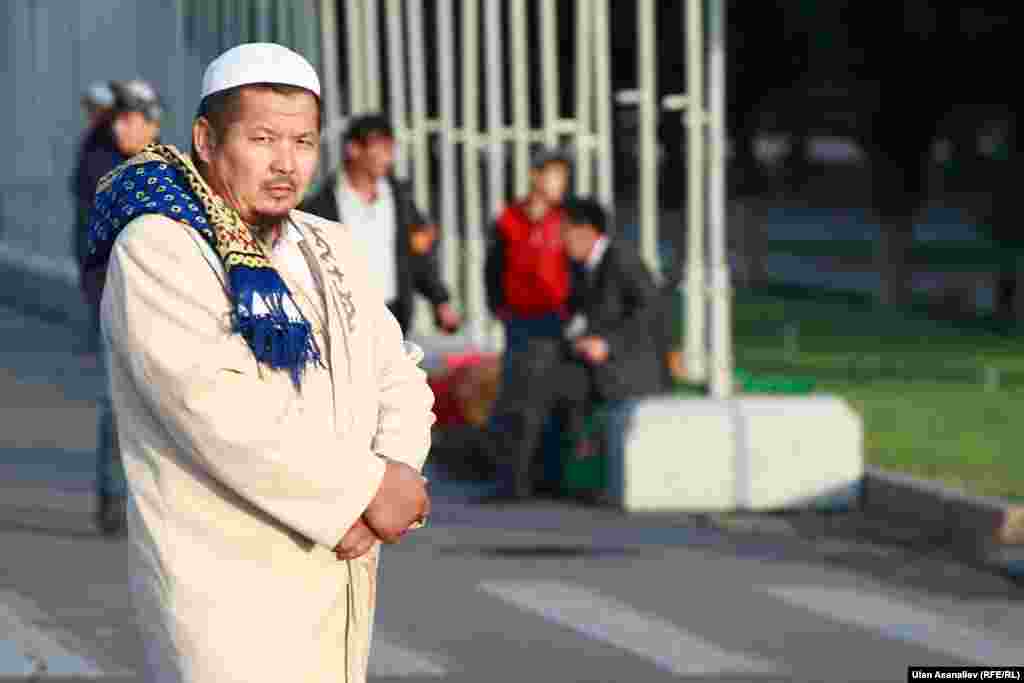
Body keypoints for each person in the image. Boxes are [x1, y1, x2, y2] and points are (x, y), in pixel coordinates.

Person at [86, 43, 434, 682]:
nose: (286, 163)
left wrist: (398, 471)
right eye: (263, 138)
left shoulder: (324, 240)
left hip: (342, 577)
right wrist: (363, 492)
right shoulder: (161, 245)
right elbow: (217, 407)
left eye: (303, 142)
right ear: (207, 140)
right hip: (228, 596)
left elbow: (398, 372)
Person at [485, 197, 668, 501]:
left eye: (564, 232)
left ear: (587, 231)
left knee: (549, 385)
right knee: (532, 379)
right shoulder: (581, 267)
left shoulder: (622, 260)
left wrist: (607, 344)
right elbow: (577, 315)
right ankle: (525, 478)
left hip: (629, 366)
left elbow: (651, 312)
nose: (560, 241)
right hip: (594, 362)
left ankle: (534, 479)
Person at [80, 79, 164, 536]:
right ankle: (114, 497)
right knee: (117, 402)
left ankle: (147, 498)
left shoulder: (155, 163)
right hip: (115, 297)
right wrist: (100, 299)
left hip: (157, 302)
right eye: (129, 120)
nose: (138, 130)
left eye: (145, 122)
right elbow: (90, 244)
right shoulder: (100, 166)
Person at [302, 113, 460, 335]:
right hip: (343, 320)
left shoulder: (401, 200)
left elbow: (419, 254)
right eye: (382, 149)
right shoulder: (319, 208)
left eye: (391, 149)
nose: (388, 158)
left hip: (393, 315)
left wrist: (440, 301)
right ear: (354, 149)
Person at [483, 147, 573, 495]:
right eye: (554, 175)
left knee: (547, 397)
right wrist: (499, 308)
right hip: (520, 320)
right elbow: (493, 268)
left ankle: (544, 478)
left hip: (555, 320)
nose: (559, 184)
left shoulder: (566, 220)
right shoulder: (509, 221)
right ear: (536, 176)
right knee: (516, 397)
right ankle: (513, 480)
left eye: (563, 177)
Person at [71, 81, 119, 354]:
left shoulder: (111, 138)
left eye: (96, 107)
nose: (91, 112)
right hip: (88, 215)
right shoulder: (95, 136)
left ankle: (106, 334)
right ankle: (99, 329)